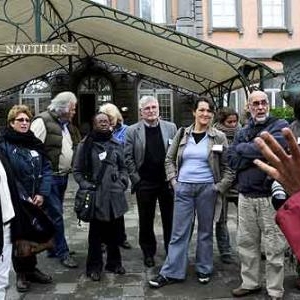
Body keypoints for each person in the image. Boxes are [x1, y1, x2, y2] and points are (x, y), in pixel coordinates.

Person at [149, 96, 233, 288]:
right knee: (179, 232)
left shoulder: (218, 137)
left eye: (209, 111)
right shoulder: (182, 134)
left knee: (205, 231)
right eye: (202, 110)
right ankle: (172, 272)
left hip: (207, 189)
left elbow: (229, 167)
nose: (205, 114)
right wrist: (173, 181)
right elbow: (168, 160)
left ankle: (204, 268)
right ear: (194, 112)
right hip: (183, 189)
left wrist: (218, 188)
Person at [228, 90, 288, 300]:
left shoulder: (279, 126)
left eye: (263, 103)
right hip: (245, 197)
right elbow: (232, 160)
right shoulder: (242, 130)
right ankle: (250, 283)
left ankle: (274, 290)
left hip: (269, 198)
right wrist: (258, 151)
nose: (260, 107)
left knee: (274, 246)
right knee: (246, 243)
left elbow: (276, 146)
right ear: (249, 107)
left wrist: (244, 150)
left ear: (268, 105)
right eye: (255, 104)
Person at [0, 105, 53, 293]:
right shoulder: (4, 144)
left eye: (27, 120)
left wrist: (41, 193)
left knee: (35, 234)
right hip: (17, 199)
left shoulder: (35, 142)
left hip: (36, 197)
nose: (24, 123)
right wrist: (24, 197)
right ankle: (21, 273)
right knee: (19, 236)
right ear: (11, 123)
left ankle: (32, 269)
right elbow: (8, 175)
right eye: (20, 120)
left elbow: (47, 167)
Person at [73, 112, 128, 281]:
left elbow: (123, 167)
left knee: (115, 232)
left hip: (114, 196)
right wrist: (87, 186)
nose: (104, 123)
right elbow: (77, 171)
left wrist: (122, 182)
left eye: (106, 121)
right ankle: (94, 267)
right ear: (94, 124)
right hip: (96, 196)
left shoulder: (116, 143)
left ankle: (114, 263)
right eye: (100, 121)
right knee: (95, 235)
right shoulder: (85, 144)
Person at [124, 95, 177, 267]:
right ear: (141, 112)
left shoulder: (171, 127)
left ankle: (171, 250)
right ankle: (148, 252)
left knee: (170, 218)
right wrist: (136, 179)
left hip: (166, 181)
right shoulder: (132, 130)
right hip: (145, 183)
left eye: (154, 107)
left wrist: (174, 178)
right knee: (146, 219)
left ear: (159, 109)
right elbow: (128, 157)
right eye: (147, 109)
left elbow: (176, 153)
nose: (151, 111)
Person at [30, 91, 80, 268]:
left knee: (53, 215)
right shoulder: (42, 122)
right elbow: (32, 151)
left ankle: (53, 247)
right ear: (64, 108)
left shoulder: (64, 123)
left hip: (62, 177)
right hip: (49, 178)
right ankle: (62, 251)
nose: (74, 112)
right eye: (73, 109)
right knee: (57, 215)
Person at [99, 103, 131, 249]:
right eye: (106, 117)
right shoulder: (100, 131)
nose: (109, 121)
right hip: (103, 176)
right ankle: (104, 239)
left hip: (118, 174)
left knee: (119, 208)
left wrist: (124, 179)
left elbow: (126, 150)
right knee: (104, 209)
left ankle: (121, 237)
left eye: (111, 117)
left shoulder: (126, 131)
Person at [213, 107, 240, 264]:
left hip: (239, 183)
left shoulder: (242, 133)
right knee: (221, 219)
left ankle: (247, 247)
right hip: (222, 182)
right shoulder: (215, 135)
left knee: (243, 219)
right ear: (221, 121)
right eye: (229, 122)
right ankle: (225, 251)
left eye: (235, 121)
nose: (233, 124)